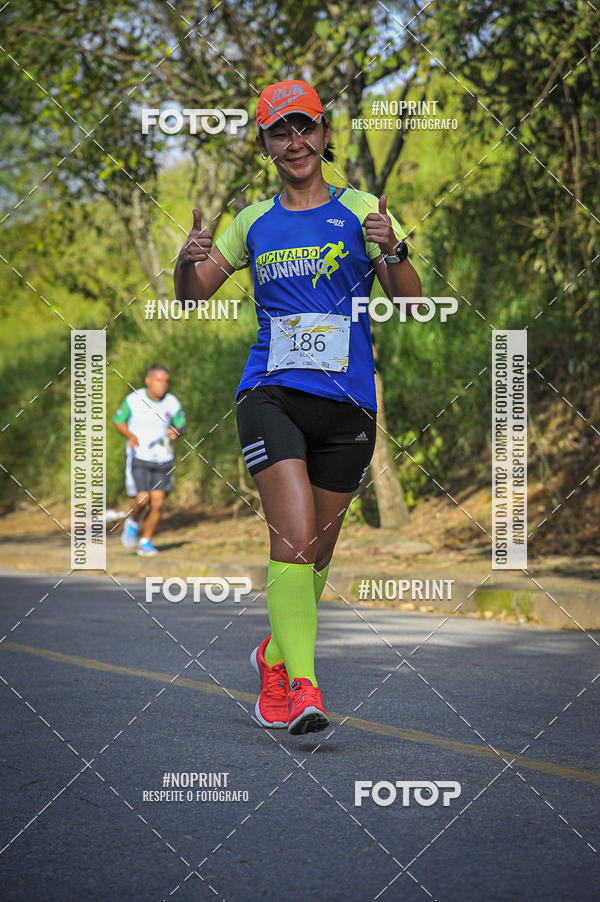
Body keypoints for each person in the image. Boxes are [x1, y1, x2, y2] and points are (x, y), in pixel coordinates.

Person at [173, 78, 421, 735]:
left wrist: (391, 247)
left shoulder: (361, 209)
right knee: (291, 535)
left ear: (325, 133)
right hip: (271, 394)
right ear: (265, 145)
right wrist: (184, 262)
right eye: (279, 132)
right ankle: (303, 687)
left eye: (304, 127)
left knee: (316, 551)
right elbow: (192, 295)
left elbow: (411, 300)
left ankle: (274, 655)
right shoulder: (252, 221)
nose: (294, 141)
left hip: (349, 405)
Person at [112, 365, 186, 556]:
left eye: (165, 381)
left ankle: (146, 541)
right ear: (148, 380)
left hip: (164, 458)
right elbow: (118, 421)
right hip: (140, 456)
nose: (162, 384)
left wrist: (176, 432)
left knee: (158, 503)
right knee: (143, 499)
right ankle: (133, 521)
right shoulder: (134, 399)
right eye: (158, 380)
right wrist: (130, 435)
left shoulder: (172, 402)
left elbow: (181, 425)